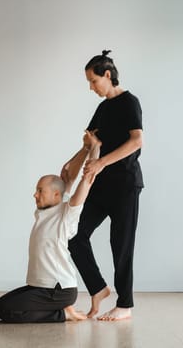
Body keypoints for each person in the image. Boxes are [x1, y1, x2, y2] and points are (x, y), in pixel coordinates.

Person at [61, 49, 144, 321]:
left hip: (125, 185)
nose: (91, 87)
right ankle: (98, 288)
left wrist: (101, 163)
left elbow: (136, 141)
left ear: (107, 75)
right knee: (74, 234)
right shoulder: (102, 108)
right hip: (100, 185)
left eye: (93, 81)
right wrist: (71, 163)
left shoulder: (129, 102)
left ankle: (125, 305)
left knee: (120, 245)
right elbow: (89, 143)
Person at [0, 131, 101, 323]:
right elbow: (67, 174)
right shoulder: (44, 212)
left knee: (3, 309)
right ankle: (62, 311)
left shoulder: (67, 214)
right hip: (40, 286)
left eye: (40, 191)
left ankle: (63, 314)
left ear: (57, 195)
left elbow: (87, 179)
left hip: (58, 289)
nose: (35, 195)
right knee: (1, 304)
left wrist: (95, 148)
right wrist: (85, 148)